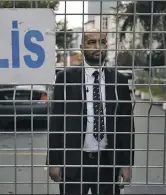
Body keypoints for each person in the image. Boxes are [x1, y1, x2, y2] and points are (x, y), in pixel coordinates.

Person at [46, 29, 135, 195]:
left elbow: (126, 125)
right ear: (82, 47)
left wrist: (126, 163)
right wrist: (54, 161)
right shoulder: (66, 78)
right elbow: (56, 121)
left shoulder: (118, 80)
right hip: (74, 163)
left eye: (102, 42)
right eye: (91, 42)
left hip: (108, 163)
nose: (97, 47)